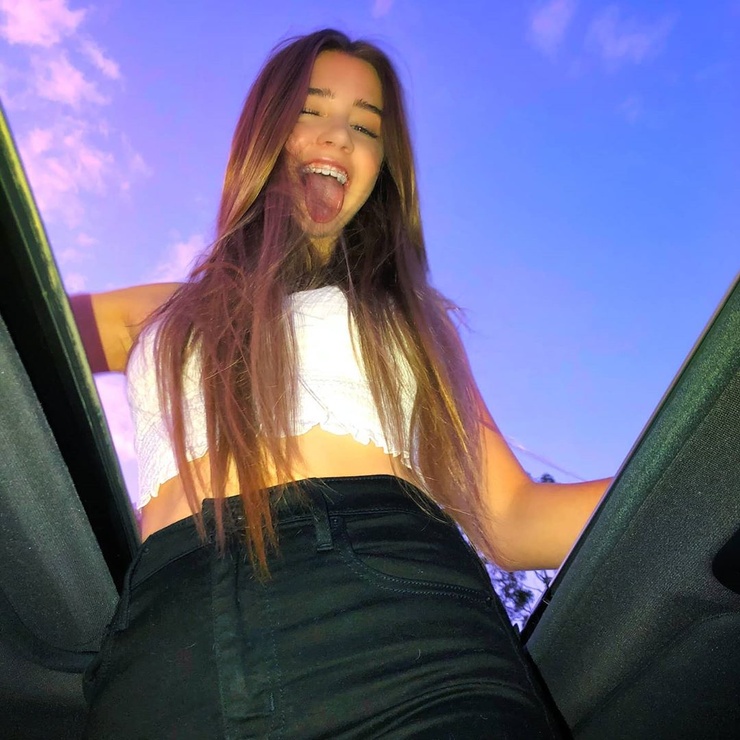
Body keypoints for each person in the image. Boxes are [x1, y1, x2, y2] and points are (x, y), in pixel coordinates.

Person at [70, 28, 611, 739]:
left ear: (383, 168)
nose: (337, 137)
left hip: (403, 633)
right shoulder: (164, 311)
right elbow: (24, 330)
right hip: (173, 641)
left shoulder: (410, 323)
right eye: (311, 109)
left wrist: (704, 468)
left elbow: (510, 517)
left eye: (365, 127)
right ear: (264, 132)